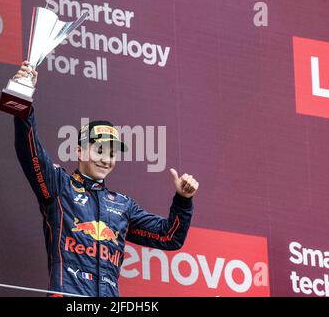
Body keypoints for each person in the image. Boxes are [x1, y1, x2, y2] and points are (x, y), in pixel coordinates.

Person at [12, 61, 199, 297]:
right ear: (79, 151)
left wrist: (183, 200)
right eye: (99, 150)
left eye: (112, 154)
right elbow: (29, 151)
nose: (106, 159)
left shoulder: (123, 206)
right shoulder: (60, 187)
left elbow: (169, 237)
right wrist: (22, 98)